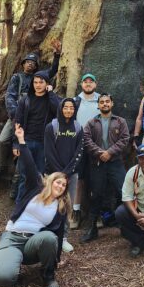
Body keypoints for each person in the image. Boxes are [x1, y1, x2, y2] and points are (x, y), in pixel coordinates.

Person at [0, 124, 69, 287]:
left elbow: (59, 234)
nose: (61, 186)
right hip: (12, 239)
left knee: (49, 237)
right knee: (3, 279)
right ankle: (10, 263)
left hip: (32, 244)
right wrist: (21, 141)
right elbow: (30, 164)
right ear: (51, 181)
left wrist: (56, 259)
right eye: (58, 182)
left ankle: (47, 275)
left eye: (64, 185)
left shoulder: (59, 208)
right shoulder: (35, 188)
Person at [0, 44, 60, 184]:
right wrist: (14, 113)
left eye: (33, 63)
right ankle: (1, 166)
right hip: (17, 114)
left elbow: (53, 70)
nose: (30, 65)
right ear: (23, 64)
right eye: (27, 62)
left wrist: (56, 55)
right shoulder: (17, 77)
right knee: (2, 140)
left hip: (32, 118)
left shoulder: (39, 77)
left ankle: (18, 180)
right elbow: (10, 96)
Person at [81, 93, 130, 242]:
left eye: (107, 101)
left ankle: (126, 226)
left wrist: (110, 152)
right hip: (98, 163)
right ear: (98, 105)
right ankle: (92, 228)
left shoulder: (120, 121)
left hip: (115, 162)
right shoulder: (91, 123)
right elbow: (86, 140)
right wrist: (100, 153)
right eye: (101, 102)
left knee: (123, 192)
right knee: (96, 194)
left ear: (112, 103)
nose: (104, 104)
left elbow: (125, 139)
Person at [14, 70, 61, 201]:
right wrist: (16, 143)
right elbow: (18, 121)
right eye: (35, 82)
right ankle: (20, 204)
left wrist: (50, 93)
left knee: (40, 175)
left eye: (41, 82)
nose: (38, 85)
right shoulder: (26, 100)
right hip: (26, 142)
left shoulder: (50, 99)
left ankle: (36, 204)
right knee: (25, 175)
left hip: (43, 143)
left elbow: (58, 111)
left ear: (47, 84)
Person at [44, 98, 83, 253]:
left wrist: (67, 172)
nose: (68, 110)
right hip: (53, 174)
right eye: (65, 107)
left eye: (71, 108)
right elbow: (49, 151)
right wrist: (60, 173)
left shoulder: (78, 127)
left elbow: (79, 152)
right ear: (61, 109)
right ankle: (48, 235)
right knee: (50, 203)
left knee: (67, 205)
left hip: (71, 175)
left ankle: (64, 237)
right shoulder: (51, 126)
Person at [70, 73, 100, 228]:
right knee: (78, 179)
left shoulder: (101, 100)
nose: (88, 84)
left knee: (98, 179)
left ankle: (97, 213)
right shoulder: (75, 101)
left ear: (95, 84)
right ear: (81, 84)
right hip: (79, 145)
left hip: (97, 145)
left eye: (91, 81)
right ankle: (75, 212)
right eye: (85, 81)